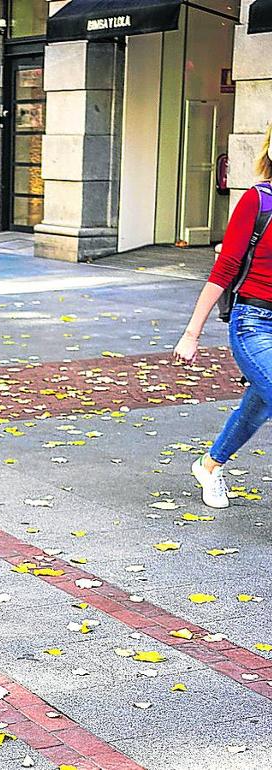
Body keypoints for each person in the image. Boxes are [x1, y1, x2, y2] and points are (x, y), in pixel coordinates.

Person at [175, 126, 272, 509]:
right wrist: (191, 334)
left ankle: (210, 465)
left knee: (261, 402)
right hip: (255, 324)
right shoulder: (257, 200)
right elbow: (225, 268)